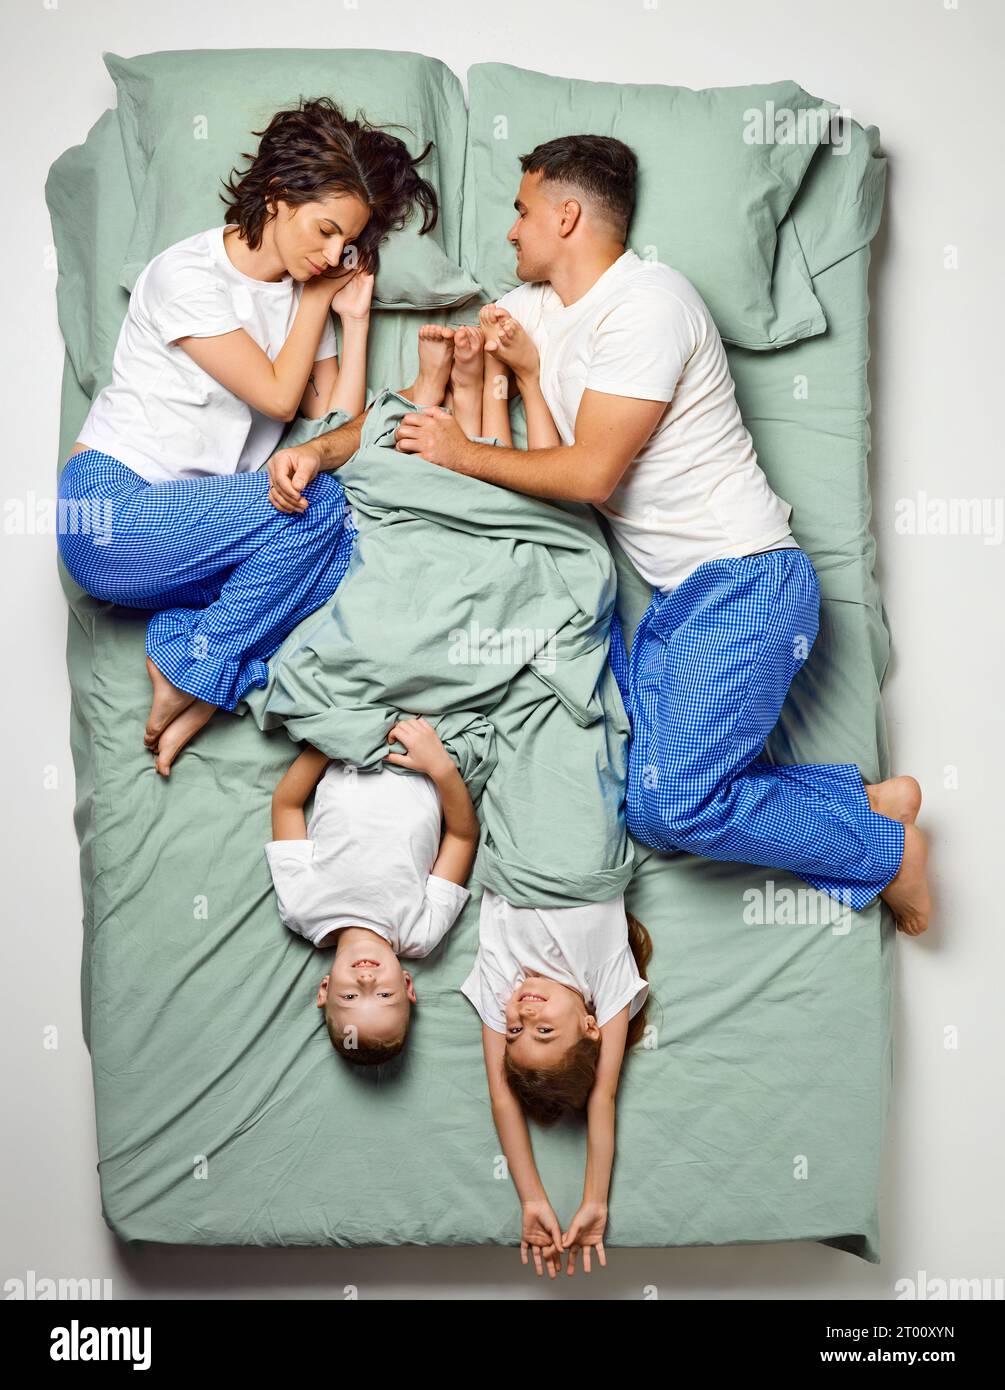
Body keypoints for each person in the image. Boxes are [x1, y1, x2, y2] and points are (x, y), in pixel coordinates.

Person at [387, 133, 931, 938]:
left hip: (747, 580)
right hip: (680, 604)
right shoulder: (534, 314)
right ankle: (858, 802)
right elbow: (551, 473)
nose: (509, 231)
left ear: (566, 215)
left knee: (674, 803)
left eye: (522, 210)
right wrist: (513, 375)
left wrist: (462, 452)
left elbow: (589, 476)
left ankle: (883, 851)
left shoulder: (651, 302)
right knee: (648, 810)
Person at [57, 96, 443, 775]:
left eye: (344, 244)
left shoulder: (305, 299)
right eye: (324, 230)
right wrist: (322, 300)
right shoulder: (188, 275)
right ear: (277, 195)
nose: (331, 255)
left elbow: (330, 425)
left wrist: (352, 323)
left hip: (197, 533)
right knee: (320, 508)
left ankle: (190, 658)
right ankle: (200, 679)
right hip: (111, 512)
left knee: (349, 549)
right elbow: (274, 394)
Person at [267, 717, 478, 1065]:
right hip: (428, 755)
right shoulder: (420, 934)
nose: (366, 978)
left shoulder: (301, 908)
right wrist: (440, 767)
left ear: (325, 989)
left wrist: (334, 738)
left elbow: (286, 805)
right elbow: (462, 836)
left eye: (350, 996)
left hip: (348, 741)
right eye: (383, 993)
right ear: (407, 986)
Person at [461, 889, 651, 1277]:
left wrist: (532, 1201)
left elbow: (502, 1097)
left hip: (516, 851)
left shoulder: (503, 980)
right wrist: (595, 1200)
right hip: (584, 858)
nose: (525, 1012)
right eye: (544, 1030)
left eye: (514, 1030)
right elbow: (603, 1095)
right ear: (590, 1026)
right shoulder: (605, 977)